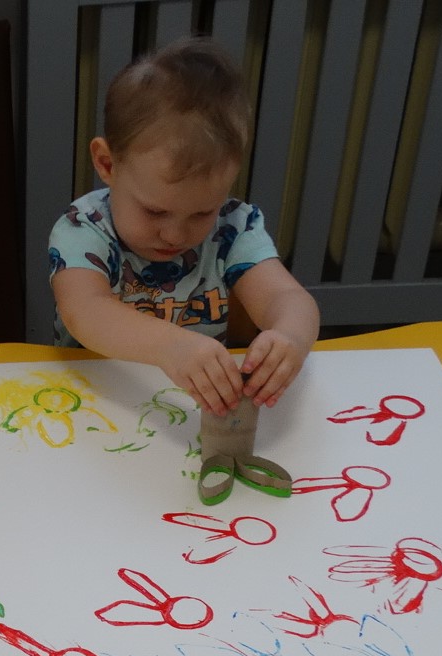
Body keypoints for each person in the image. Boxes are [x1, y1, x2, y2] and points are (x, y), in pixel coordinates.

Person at [48, 37, 319, 416]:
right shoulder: (84, 228)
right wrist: (171, 346)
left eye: (201, 213)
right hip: (93, 403)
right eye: (155, 212)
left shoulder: (233, 227)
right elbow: (85, 310)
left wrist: (289, 337)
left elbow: (286, 297)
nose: (176, 235)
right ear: (107, 164)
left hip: (188, 410)